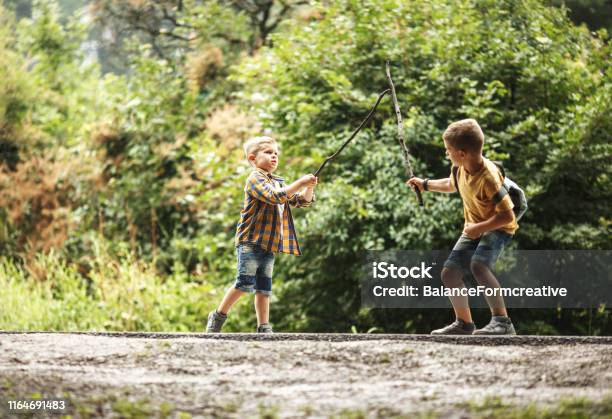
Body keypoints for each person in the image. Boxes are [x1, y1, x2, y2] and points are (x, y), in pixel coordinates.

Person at [407, 119, 518, 335]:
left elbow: (507, 215)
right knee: (449, 273)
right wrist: (425, 184)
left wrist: (479, 229)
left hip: (498, 227)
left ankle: (503, 323)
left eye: (448, 150)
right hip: (474, 227)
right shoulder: (459, 169)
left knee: (479, 266)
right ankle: (464, 324)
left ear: (463, 153)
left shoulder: (488, 177)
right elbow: (451, 185)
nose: (446, 153)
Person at [206, 136, 317, 333]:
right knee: (244, 282)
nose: (274, 156)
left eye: (276, 153)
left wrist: (308, 187)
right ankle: (218, 316)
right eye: (268, 152)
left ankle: (263, 326)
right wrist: (300, 182)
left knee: (264, 288)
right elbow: (275, 197)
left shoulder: (277, 182)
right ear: (252, 158)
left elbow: (301, 201)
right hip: (250, 240)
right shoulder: (255, 179)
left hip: (269, 244)